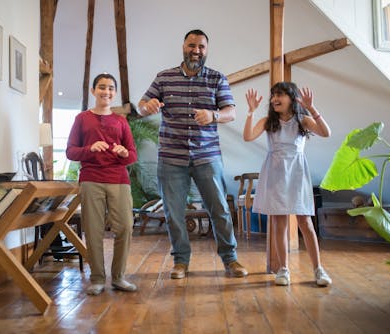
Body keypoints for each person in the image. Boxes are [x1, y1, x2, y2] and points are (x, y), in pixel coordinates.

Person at [138, 29, 247, 279]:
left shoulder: (217, 79)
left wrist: (213, 115)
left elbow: (231, 111)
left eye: (201, 47)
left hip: (207, 157)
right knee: (173, 213)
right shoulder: (164, 78)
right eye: (191, 45)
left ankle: (231, 260)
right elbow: (142, 106)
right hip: (171, 158)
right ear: (183, 46)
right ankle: (180, 262)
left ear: (206, 50)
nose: (196, 51)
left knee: (219, 209)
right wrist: (148, 107)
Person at [243, 82, 332, 287]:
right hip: (274, 172)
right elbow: (248, 137)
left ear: (291, 98)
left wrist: (312, 108)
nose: (275, 98)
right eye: (273, 94)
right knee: (279, 223)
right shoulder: (268, 121)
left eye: (280, 94)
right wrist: (250, 112)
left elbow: (326, 132)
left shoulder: (303, 121)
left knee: (305, 223)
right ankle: (283, 269)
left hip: (297, 173)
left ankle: (318, 269)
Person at [66, 73, 138, 295]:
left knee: (125, 227)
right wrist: (89, 149)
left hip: (118, 179)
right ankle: (97, 278)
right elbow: (70, 151)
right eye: (101, 87)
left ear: (114, 93)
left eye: (110, 88)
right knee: (93, 230)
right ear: (93, 91)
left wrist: (124, 152)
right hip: (91, 179)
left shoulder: (121, 121)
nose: (106, 91)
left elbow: (132, 155)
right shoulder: (82, 119)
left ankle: (118, 277)